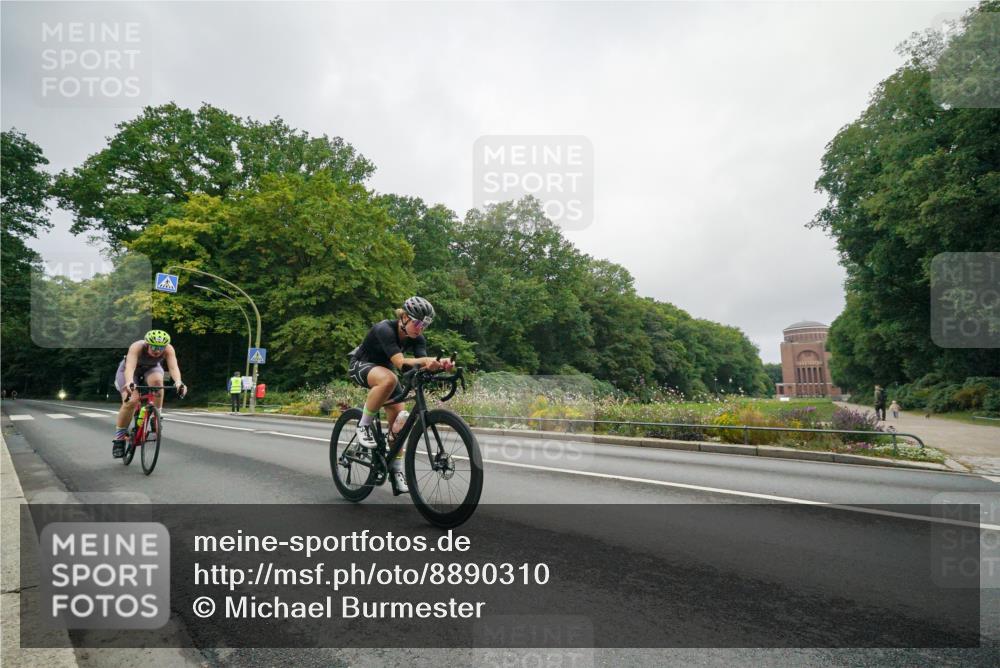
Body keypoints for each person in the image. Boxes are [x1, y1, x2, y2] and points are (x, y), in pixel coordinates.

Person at [347, 296, 453, 495]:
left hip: (385, 371)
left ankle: (395, 470)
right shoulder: (384, 329)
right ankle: (363, 424)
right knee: (389, 379)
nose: (420, 328)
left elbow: (416, 368)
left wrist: (439, 366)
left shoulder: (418, 338)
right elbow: (402, 364)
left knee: (401, 420)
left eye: (425, 325)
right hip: (361, 365)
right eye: (418, 322)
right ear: (404, 317)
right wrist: (426, 361)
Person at [112, 330, 186, 458]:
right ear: (147, 344)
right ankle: (119, 439)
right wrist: (130, 382)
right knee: (131, 401)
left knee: (158, 382)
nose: (157, 351)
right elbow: (130, 367)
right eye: (154, 347)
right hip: (130, 370)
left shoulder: (169, 349)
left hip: (151, 368)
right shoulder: (137, 347)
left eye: (161, 348)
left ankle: (155, 418)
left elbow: (173, 368)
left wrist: (179, 382)